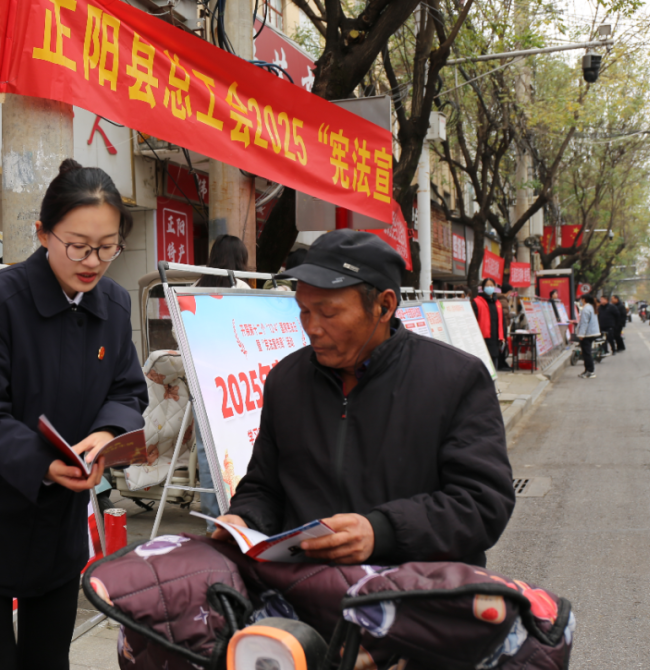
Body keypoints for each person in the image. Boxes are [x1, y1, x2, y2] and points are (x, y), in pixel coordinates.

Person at [0, 159, 149, 670]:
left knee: (48, 659)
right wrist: (43, 462)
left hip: (57, 518)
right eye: (78, 245)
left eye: (107, 247)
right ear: (43, 233)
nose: (93, 261)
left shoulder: (110, 303)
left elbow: (128, 388)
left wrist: (106, 434)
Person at [212, 230, 515, 567]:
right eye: (303, 311)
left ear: (384, 306)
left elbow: (483, 504)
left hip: (416, 595)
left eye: (328, 313)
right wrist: (243, 519)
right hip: (306, 591)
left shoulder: (456, 379)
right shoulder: (286, 380)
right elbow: (264, 486)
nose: (311, 327)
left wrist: (381, 531)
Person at [194, 234, 250, 526]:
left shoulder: (191, 289)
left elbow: (182, 336)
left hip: (201, 381)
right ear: (239, 260)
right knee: (236, 447)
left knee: (206, 452)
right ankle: (237, 516)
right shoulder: (240, 288)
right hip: (234, 383)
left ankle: (210, 518)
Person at [471, 279, 507, 371]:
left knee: (493, 364)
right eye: (487, 285)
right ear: (483, 288)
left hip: (495, 339)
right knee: (483, 364)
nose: (489, 287)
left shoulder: (497, 303)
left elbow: (502, 321)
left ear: (494, 287)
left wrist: (503, 336)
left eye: (491, 285)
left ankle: (492, 383)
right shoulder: (476, 302)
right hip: (482, 339)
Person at [576, 293, 600, 379]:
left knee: (587, 353)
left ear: (584, 299)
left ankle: (590, 371)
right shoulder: (591, 307)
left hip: (587, 334)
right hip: (592, 333)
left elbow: (584, 323)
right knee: (586, 353)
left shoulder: (586, 309)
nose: (580, 301)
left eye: (581, 299)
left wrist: (581, 334)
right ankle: (587, 370)